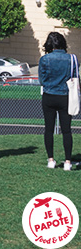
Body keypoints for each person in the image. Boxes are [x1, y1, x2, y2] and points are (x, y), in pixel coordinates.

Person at [38, 32, 74, 171]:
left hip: (49, 95)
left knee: (48, 129)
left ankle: (51, 160)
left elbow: (42, 80)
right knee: (67, 131)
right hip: (65, 96)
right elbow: (75, 77)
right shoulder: (71, 59)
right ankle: (67, 161)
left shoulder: (45, 59)